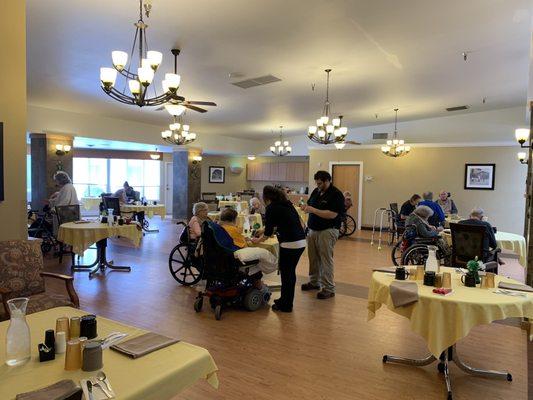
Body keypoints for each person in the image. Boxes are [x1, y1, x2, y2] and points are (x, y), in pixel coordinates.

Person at [252, 186, 306, 313]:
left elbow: (268, 232)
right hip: (300, 241)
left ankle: (286, 305)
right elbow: (281, 222)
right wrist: (263, 230)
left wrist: (257, 240)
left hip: (289, 243)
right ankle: (284, 300)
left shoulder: (271, 208)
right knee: (290, 274)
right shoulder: (286, 204)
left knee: (287, 275)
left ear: (266, 197)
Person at [300, 170, 345, 299]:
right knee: (313, 258)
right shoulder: (316, 191)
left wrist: (313, 210)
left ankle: (329, 288)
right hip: (313, 229)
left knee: (326, 259)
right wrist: (305, 207)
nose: (318, 185)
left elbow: (332, 214)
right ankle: (314, 282)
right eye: (317, 183)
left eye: (320, 183)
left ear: (327, 181)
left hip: (328, 230)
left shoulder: (336, 194)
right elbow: (309, 205)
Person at [218, 208, 277, 276]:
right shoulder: (232, 229)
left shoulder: (220, 227)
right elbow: (242, 245)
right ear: (233, 219)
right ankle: (256, 280)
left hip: (223, 256)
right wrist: (250, 240)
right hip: (234, 254)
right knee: (264, 257)